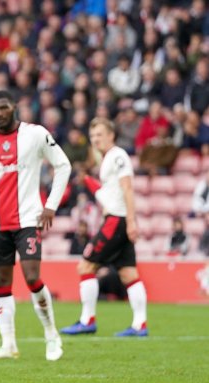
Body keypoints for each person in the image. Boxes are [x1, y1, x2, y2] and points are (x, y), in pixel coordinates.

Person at [0, 90, 70, 361]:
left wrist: (51, 205)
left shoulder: (35, 134)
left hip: (29, 219)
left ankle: (51, 334)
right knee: (1, 281)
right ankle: (8, 344)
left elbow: (63, 166)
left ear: (14, 107)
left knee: (32, 276)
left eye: (3, 107)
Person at [61, 118, 148, 337]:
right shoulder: (109, 158)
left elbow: (127, 189)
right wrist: (89, 181)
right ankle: (140, 325)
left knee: (85, 266)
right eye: (93, 136)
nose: (96, 139)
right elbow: (108, 194)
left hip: (116, 221)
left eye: (100, 134)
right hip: (117, 218)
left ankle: (87, 320)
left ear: (111, 134)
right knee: (129, 274)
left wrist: (131, 221)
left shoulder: (118, 156)